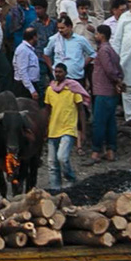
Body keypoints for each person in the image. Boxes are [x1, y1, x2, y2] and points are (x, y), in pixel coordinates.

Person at [43, 63, 89, 192]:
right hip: (53, 130)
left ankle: (71, 179)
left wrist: (83, 131)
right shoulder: (50, 90)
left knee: (62, 158)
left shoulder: (73, 88)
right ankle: (55, 190)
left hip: (68, 129)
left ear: (65, 73)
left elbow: (81, 110)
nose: (57, 74)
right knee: (52, 163)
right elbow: (47, 110)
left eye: (60, 72)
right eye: (56, 72)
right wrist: (44, 128)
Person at [89, 25, 122, 160]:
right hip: (111, 92)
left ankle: (96, 152)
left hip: (103, 91)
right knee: (110, 122)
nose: (95, 36)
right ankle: (110, 150)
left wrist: (116, 80)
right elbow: (118, 67)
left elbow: (109, 70)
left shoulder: (103, 50)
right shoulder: (111, 50)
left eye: (96, 34)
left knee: (99, 122)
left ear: (101, 35)